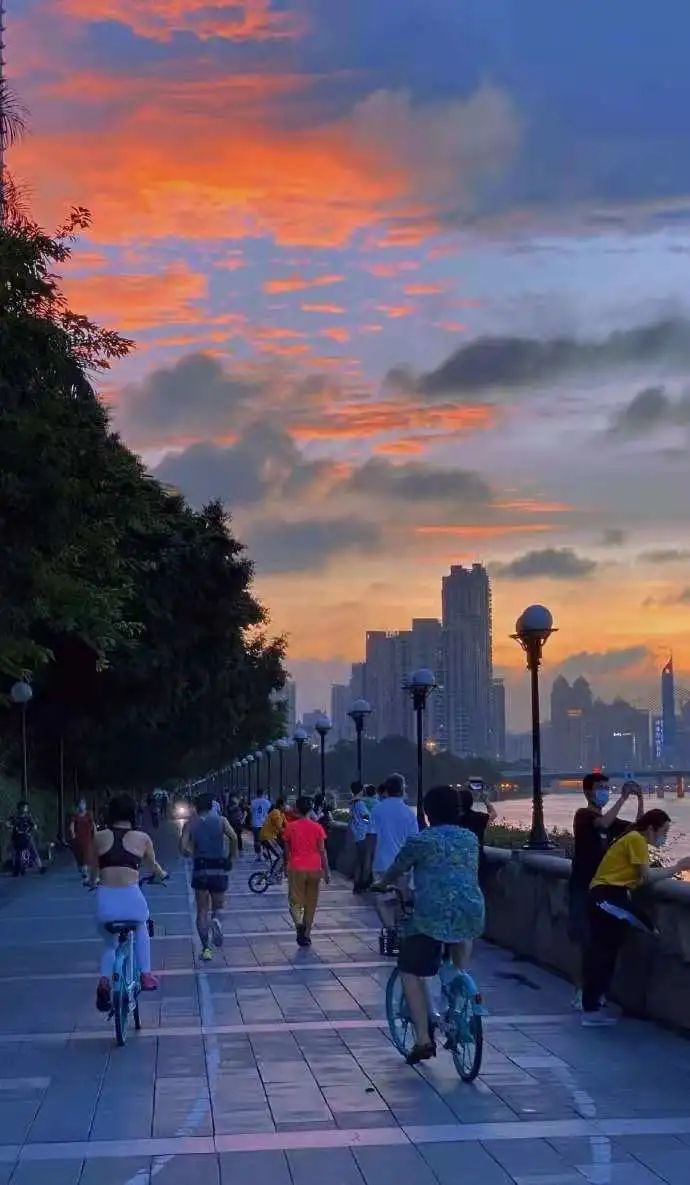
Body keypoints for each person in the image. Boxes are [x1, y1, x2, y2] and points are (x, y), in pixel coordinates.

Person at [374, 784, 485, 1066]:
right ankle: (457, 992)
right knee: (458, 957)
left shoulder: (421, 841)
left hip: (432, 914)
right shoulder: (469, 838)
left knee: (409, 968)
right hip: (471, 910)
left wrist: (381, 883)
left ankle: (423, 1039)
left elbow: (396, 869)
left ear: (427, 812)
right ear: (458, 811)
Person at [581, 808, 690, 1026]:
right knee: (605, 952)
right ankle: (591, 1009)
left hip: (610, 895)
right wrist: (678, 867)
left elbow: (638, 878)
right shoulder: (636, 839)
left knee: (606, 952)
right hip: (606, 896)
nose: (664, 836)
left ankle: (594, 1005)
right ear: (650, 829)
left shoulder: (632, 839)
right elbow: (646, 876)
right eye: (663, 831)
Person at [569, 774, 643, 1009]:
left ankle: (599, 991)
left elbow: (638, 831)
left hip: (605, 890)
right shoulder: (584, 816)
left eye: (606, 788)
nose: (604, 791)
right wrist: (623, 798)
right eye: (600, 788)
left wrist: (639, 800)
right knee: (586, 940)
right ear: (588, 793)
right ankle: (581, 990)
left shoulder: (611, 821)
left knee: (605, 943)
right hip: (583, 886)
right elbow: (602, 824)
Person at [92, 793, 167, 1012]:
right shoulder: (142, 838)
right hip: (131, 899)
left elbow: (93, 871)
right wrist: (162, 875)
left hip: (105, 901)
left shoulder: (99, 837)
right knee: (142, 925)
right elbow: (154, 866)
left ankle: (104, 981)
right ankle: (145, 974)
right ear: (134, 814)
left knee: (110, 944)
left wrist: (92, 880)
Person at [180, 792, 238, 961]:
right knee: (218, 906)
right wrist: (230, 857)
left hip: (201, 869)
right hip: (218, 868)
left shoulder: (190, 824)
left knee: (201, 910)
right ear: (212, 805)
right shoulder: (222, 821)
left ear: (196, 807)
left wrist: (192, 853)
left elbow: (183, 848)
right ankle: (217, 921)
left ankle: (206, 949)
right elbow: (234, 837)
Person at [370, 773, 418, 930]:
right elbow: (414, 842)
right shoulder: (408, 813)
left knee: (382, 899)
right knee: (401, 900)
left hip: (381, 862)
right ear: (402, 789)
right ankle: (399, 931)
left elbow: (371, 836)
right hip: (402, 865)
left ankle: (389, 928)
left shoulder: (377, 809)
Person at [283, 796, 330, 946]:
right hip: (314, 868)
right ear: (310, 810)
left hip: (296, 868)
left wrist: (286, 865)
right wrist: (327, 871)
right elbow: (322, 851)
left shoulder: (290, 827)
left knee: (295, 902)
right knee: (311, 903)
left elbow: (287, 851)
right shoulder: (317, 827)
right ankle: (307, 935)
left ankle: (298, 924)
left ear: (296, 809)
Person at [8, 801, 43, 875]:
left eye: (26, 807)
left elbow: (33, 824)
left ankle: (40, 867)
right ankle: (17, 868)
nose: (25, 808)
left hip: (27, 837)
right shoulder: (15, 817)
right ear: (19, 807)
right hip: (17, 838)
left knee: (33, 851)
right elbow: (9, 823)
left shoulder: (28, 817)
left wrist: (34, 826)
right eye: (23, 806)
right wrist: (9, 825)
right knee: (16, 853)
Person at [349, 782, 371, 894]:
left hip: (356, 833)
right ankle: (360, 884)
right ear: (361, 790)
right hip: (362, 833)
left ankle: (356, 884)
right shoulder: (360, 803)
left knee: (359, 860)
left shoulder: (352, 803)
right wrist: (368, 822)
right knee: (363, 861)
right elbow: (366, 816)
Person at [69, 798, 96, 884]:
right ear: (78, 806)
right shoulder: (75, 816)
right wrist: (73, 833)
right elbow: (72, 826)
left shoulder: (89, 814)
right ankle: (82, 868)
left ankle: (85, 872)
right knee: (79, 857)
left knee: (86, 856)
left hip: (87, 838)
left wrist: (95, 834)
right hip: (78, 839)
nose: (82, 806)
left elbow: (93, 825)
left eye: (83, 804)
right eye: (81, 804)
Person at [260, 797, 287, 871]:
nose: (286, 807)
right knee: (281, 856)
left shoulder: (282, 814)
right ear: (281, 805)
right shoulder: (276, 812)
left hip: (272, 837)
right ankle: (273, 874)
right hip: (268, 837)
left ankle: (278, 870)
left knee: (283, 854)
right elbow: (279, 827)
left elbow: (287, 826)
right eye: (285, 805)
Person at [250, 790, 271, 860]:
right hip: (264, 823)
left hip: (255, 823)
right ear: (262, 794)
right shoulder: (267, 802)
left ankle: (258, 856)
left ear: (257, 794)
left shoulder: (253, 802)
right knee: (265, 839)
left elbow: (251, 812)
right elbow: (269, 811)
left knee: (256, 840)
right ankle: (265, 852)